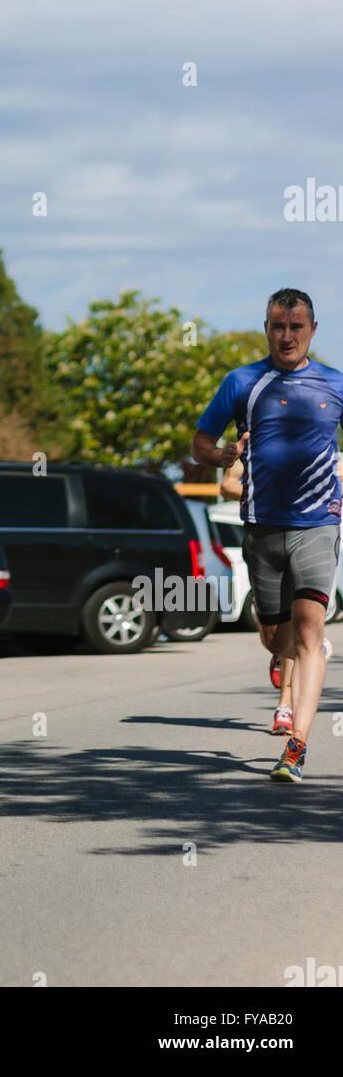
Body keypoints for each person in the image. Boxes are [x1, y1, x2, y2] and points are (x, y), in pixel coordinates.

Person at [193, 288, 341, 781]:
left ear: (312, 331)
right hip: (260, 528)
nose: (287, 335)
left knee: (308, 631)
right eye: (278, 326)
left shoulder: (335, 384)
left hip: (318, 524)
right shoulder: (242, 382)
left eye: (297, 327)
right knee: (275, 638)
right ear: (267, 330)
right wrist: (224, 457)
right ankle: (291, 656)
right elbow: (200, 444)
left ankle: (295, 747)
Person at [221, 456, 333, 733]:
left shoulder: (326, 453)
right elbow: (227, 486)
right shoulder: (252, 448)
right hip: (267, 540)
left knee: (303, 627)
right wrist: (271, 495)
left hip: (311, 539)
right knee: (278, 637)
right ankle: (281, 650)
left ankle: (285, 707)